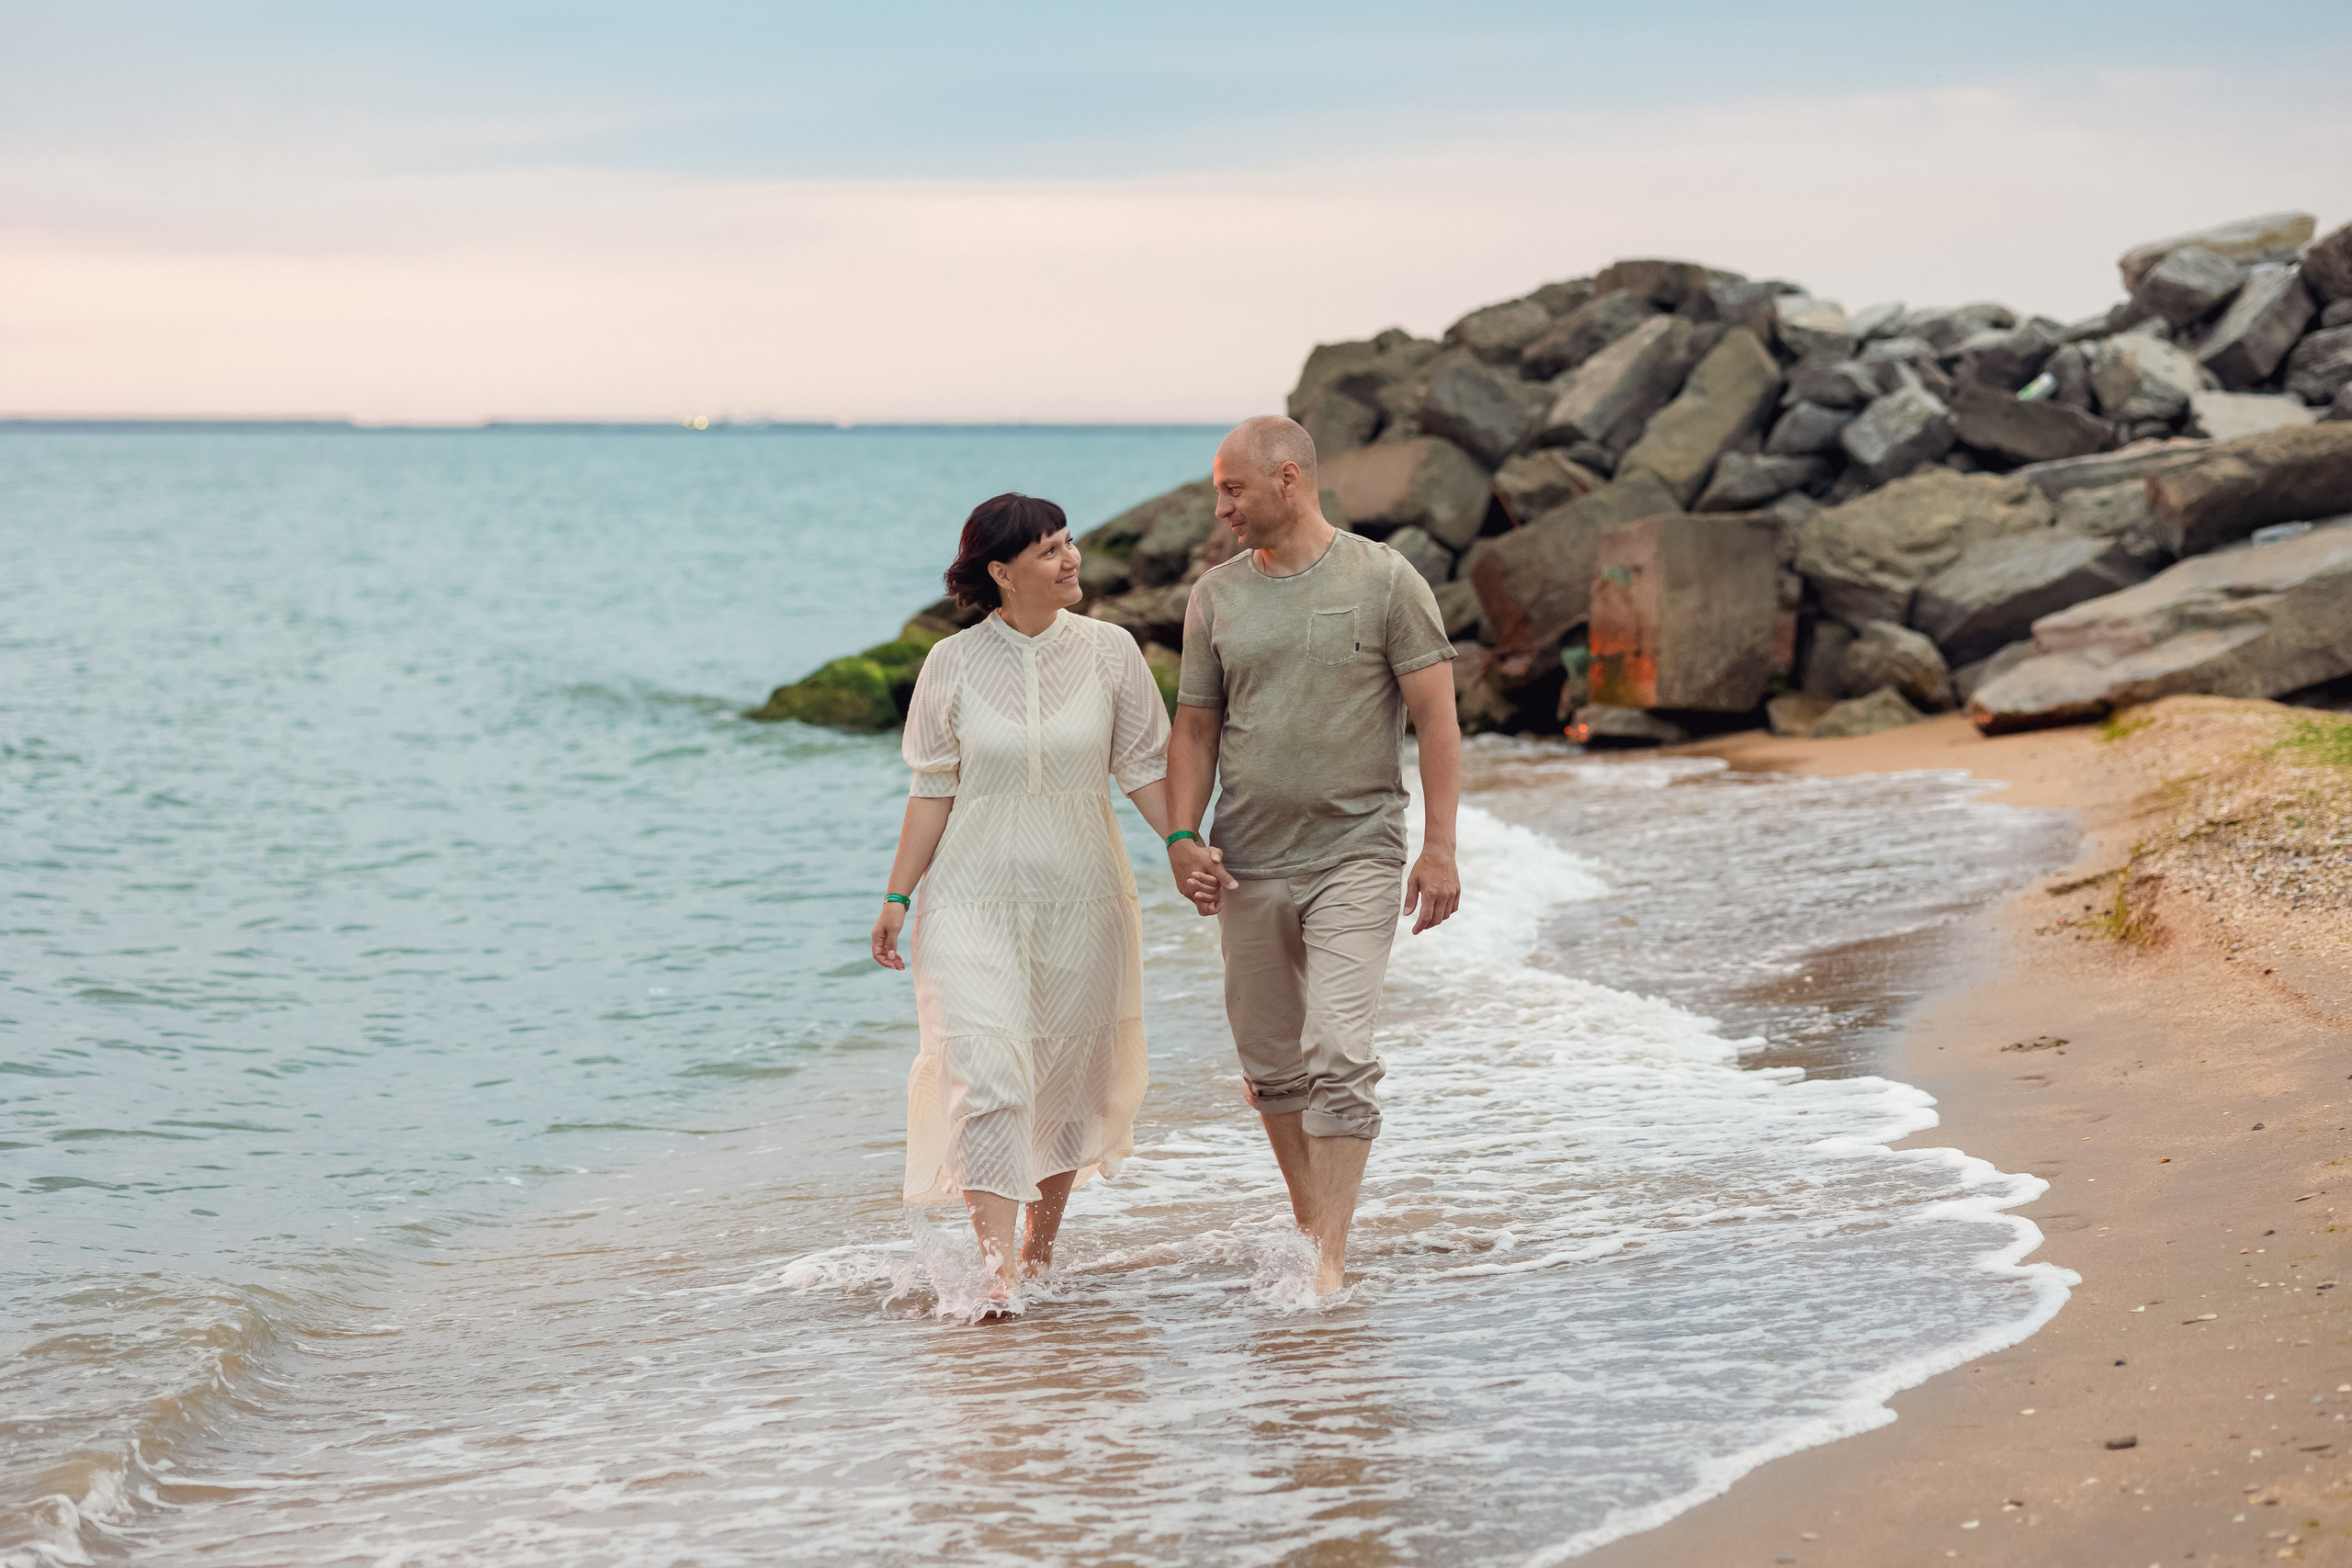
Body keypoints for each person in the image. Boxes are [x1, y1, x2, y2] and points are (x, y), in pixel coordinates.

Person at [871, 492, 1194, 1317]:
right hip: (971, 900)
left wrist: (1182, 844)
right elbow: (931, 790)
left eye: (1069, 542)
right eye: (1049, 550)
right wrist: (897, 894)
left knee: (1062, 1080)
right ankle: (994, 1278)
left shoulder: (1113, 653)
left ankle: (1039, 1250)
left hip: (1083, 897)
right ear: (1001, 573)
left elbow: (1145, 768)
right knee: (987, 1073)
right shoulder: (950, 663)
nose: (1071, 558)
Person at [1163, 415, 1463, 1296]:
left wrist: (1439, 847)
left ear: (1288, 479)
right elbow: (1195, 726)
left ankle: (1326, 1259)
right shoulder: (1215, 595)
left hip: (1357, 853)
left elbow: (1437, 720)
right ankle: (1313, 1223)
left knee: (1338, 1047)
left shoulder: (1384, 580)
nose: (1221, 508)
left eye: (1234, 489)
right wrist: (1183, 837)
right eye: (1220, 491)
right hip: (1248, 858)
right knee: (1271, 1067)